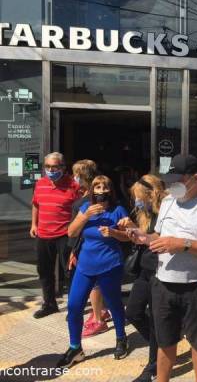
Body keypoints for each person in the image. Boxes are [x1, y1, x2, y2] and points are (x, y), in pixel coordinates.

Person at [139, 154, 197, 382]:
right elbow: (159, 236)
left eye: (177, 180)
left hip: (196, 285)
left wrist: (183, 245)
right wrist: (142, 237)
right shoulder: (169, 201)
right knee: (165, 342)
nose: (172, 185)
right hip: (163, 284)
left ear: (195, 178)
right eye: (170, 180)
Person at [57, 175, 130, 368]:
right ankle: (75, 348)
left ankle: (121, 338)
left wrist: (115, 232)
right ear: (92, 190)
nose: (101, 189)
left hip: (109, 265)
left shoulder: (118, 209)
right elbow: (71, 233)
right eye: (97, 186)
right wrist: (85, 215)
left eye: (105, 186)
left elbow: (129, 237)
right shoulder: (84, 208)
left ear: (110, 190)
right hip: (85, 265)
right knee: (74, 306)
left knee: (114, 304)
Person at [120, 175, 166, 382]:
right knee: (133, 312)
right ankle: (163, 346)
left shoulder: (166, 211)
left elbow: (159, 240)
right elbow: (143, 239)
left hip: (161, 271)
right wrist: (130, 230)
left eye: (139, 197)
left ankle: (154, 365)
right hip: (145, 270)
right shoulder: (144, 213)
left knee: (156, 320)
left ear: (151, 194)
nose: (136, 201)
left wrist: (141, 234)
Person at [31, 152, 80, 318]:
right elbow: (36, 205)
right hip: (43, 234)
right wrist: (33, 224)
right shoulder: (40, 183)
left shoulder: (74, 185)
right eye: (48, 167)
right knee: (44, 271)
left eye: (55, 166)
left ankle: (73, 307)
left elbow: (81, 209)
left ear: (63, 167)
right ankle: (49, 304)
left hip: (65, 234)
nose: (51, 170)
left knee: (70, 272)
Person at [68, 160, 111, 338]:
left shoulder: (89, 201)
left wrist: (73, 251)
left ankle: (98, 317)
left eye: (76, 174)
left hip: (89, 248)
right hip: (87, 246)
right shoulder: (86, 195)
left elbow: (78, 231)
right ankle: (101, 311)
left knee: (94, 284)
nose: (74, 177)